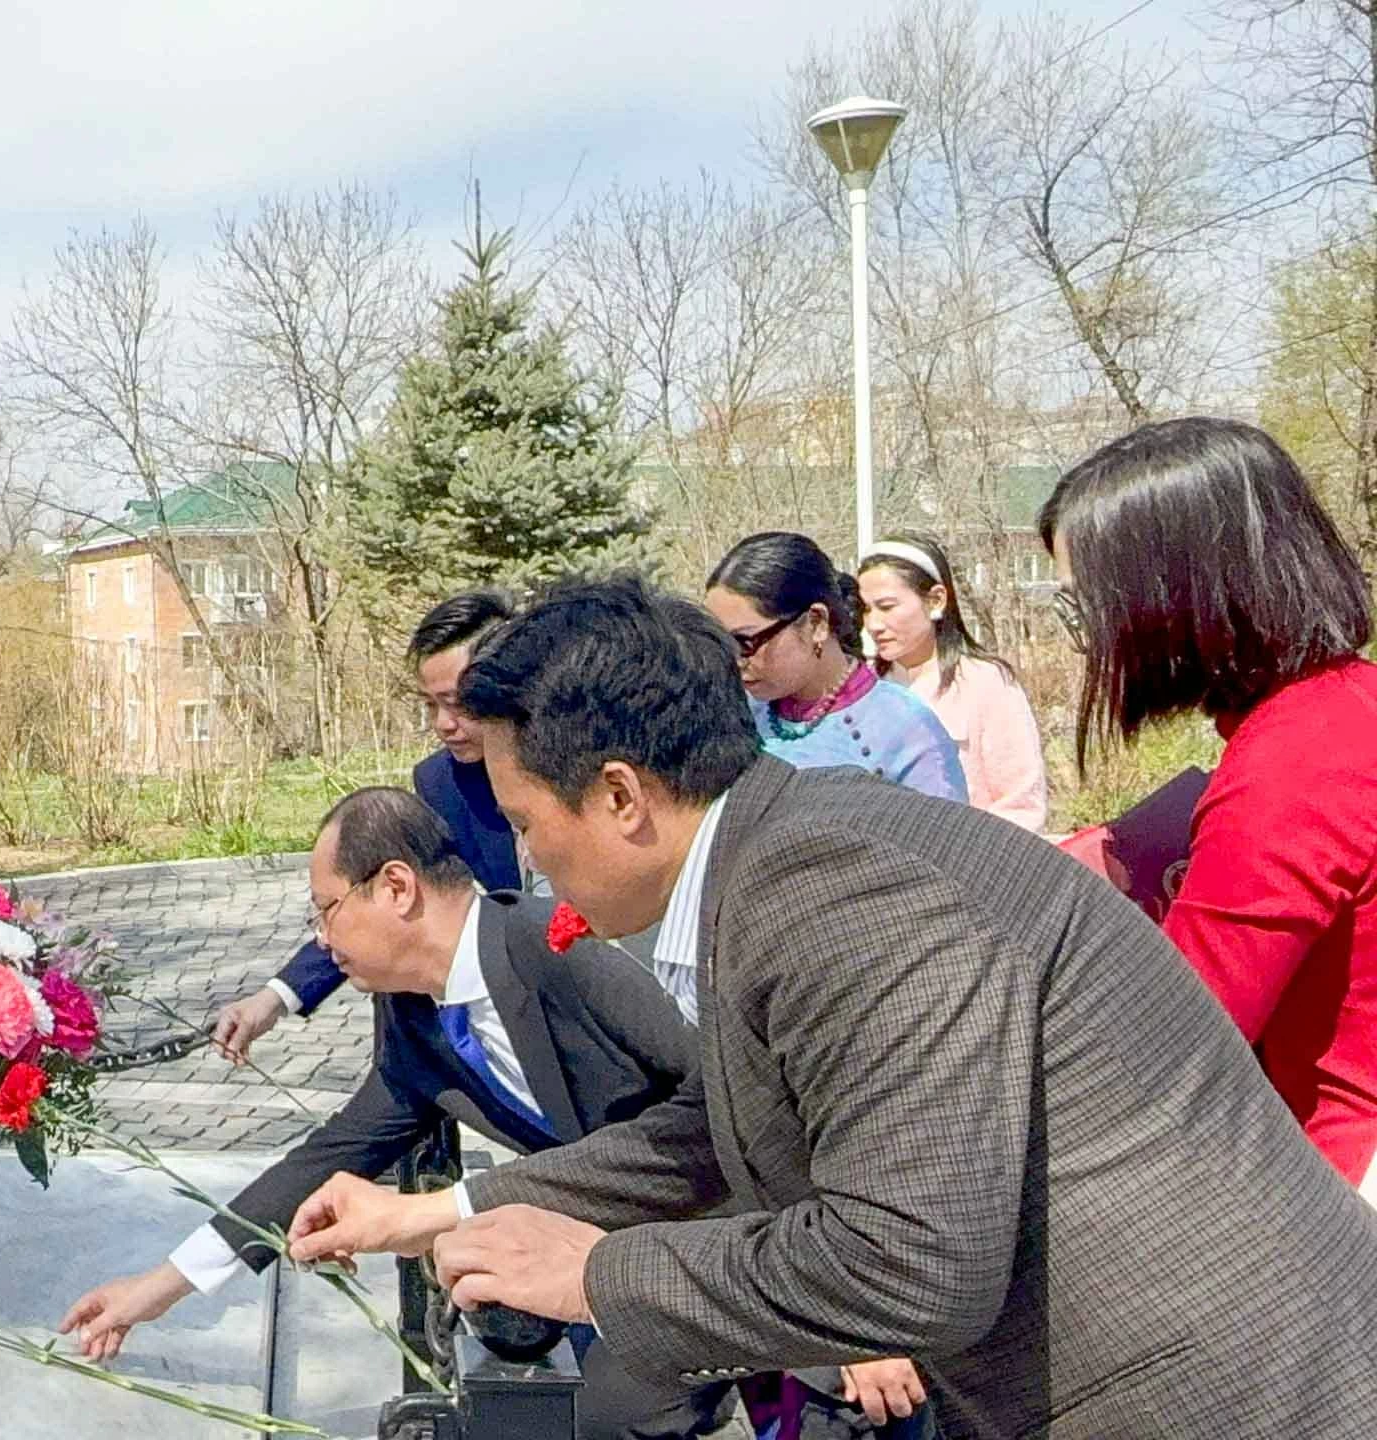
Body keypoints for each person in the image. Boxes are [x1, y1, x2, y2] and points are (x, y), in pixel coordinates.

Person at [281, 575, 1377, 1438]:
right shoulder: (792, 844)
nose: (526, 858)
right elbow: (724, 1124)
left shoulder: (830, 894)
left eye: (526, 820)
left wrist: (597, 1276)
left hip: (1219, 1389)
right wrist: (452, 1211)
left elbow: (912, 1258)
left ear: (619, 796)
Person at [64, 787, 712, 1439]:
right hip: (608, 1261)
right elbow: (324, 1158)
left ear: (397, 886)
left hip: (727, 1236)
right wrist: (158, 1288)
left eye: (328, 910)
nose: (321, 938)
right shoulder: (415, 1020)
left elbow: (721, 1095)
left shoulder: (552, 944)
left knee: (608, 1419)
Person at [1040, 416, 1377, 1196]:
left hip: (1337, 1188)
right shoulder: (1342, 706)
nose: (1087, 640)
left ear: (1177, 593)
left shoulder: (1291, 767)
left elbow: (1173, 1037)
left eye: (1085, 607)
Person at [210, 592, 536, 1064]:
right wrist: (272, 1000)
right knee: (399, 966)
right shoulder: (441, 781)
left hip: (603, 980)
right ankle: (415, 1133)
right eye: (429, 705)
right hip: (505, 986)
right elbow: (368, 899)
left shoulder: (572, 759)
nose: (443, 724)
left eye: (458, 704)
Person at [703, 532, 966, 804]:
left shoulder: (907, 731)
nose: (735, 661)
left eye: (745, 642)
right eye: (720, 643)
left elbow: (945, 841)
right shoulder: (730, 718)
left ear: (816, 623)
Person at [856, 535, 1049, 834]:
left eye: (887, 606)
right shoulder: (862, 686)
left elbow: (1021, 805)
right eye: (866, 609)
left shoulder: (986, 683)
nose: (874, 624)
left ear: (936, 600)